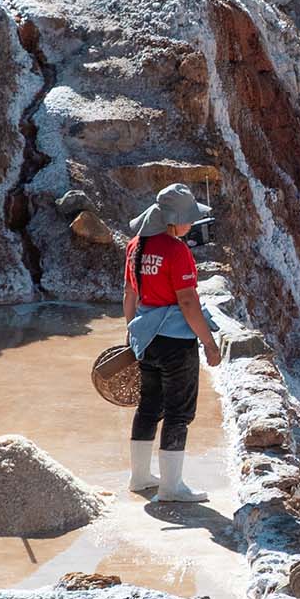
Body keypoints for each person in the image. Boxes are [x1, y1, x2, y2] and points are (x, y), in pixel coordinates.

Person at [123, 183, 222, 503]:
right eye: (189, 219)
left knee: (149, 406)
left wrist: (133, 334)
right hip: (175, 341)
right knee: (179, 412)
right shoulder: (177, 250)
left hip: (146, 337)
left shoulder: (136, 245)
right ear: (172, 220)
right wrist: (208, 342)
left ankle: (139, 477)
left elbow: (129, 295)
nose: (192, 224)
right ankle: (171, 487)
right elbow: (188, 302)